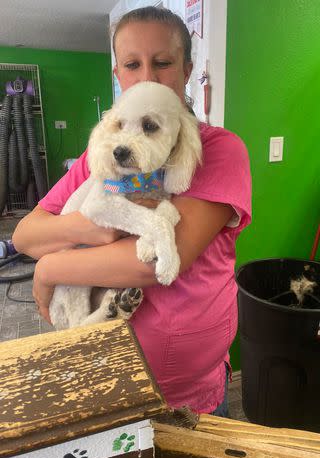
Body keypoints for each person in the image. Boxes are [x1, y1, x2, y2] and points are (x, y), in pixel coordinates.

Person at [12, 7, 251, 415]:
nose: (147, 78)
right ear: (117, 74)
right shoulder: (104, 152)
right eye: (132, 64)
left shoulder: (219, 151)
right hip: (106, 379)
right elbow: (25, 235)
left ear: (187, 68)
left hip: (192, 397)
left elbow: (153, 264)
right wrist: (91, 228)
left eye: (163, 63)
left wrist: (49, 269)